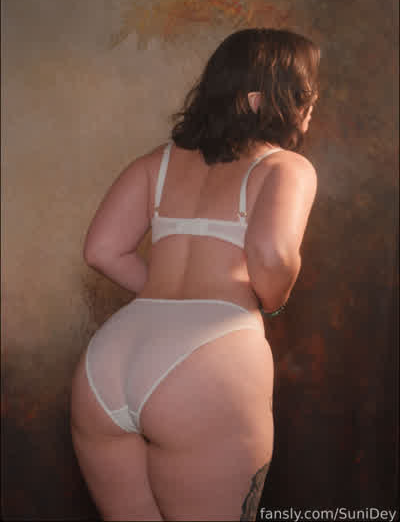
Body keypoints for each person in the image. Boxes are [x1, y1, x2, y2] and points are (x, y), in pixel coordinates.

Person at [70, 28, 320, 521]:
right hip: (208, 362)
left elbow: (101, 250)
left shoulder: (155, 163)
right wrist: (272, 300)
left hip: (110, 362)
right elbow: (270, 252)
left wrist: (163, 294)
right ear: (263, 99)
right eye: (304, 91)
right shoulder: (286, 168)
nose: (311, 102)